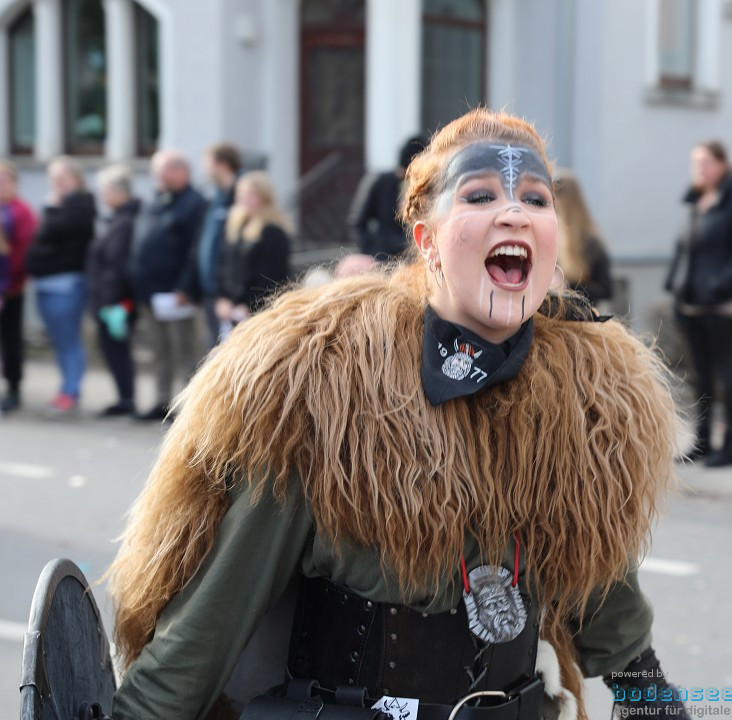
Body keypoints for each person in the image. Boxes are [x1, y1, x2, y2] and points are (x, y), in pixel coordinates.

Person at [106, 108, 687, 720]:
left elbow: (602, 590)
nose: (514, 212)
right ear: (426, 239)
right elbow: (213, 617)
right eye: (480, 195)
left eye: (536, 200)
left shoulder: (583, 403)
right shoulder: (326, 391)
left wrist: (652, 701)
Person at [665, 140, 732, 467]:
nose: (699, 169)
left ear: (723, 165)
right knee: (701, 374)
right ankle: (702, 442)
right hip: (690, 303)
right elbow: (683, 250)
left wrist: (719, 285)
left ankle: (729, 445)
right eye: (695, 163)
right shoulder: (695, 203)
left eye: (705, 162)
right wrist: (673, 282)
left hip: (721, 305)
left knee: (725, 370)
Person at [129, 150, 207, 421]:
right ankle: (162, 401)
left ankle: (189, 407)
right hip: (150, 293)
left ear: (179, 172)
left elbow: (195, 251)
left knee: (185, 351)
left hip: (177, 294)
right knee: (159, 350)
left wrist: (186, 287)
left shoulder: (194, 204)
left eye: (161, 171)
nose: (156, 177)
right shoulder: (157, 202)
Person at [24, 156, 96, 415]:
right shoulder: (62, 205)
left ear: (76, 179)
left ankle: (70, 392)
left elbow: (49, 232)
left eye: (62, 179)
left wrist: (51, 208)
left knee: (68, 342)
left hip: (65, 287)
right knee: (59, 341)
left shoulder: (79, 207)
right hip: (47, 284)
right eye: (53, 179)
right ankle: (66, 388)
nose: (56, 184)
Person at [86, 164, 140, 417]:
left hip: (116, 301)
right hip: (110, 298)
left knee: (117, 350)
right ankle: (124, 397)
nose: (102, 196)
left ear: (120, 192)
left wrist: (109, 301)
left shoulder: (124, 222)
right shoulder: (117, 219)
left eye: (105, 190)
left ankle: (126, 399)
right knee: (112, 350)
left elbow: (116, 265)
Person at [214, 171, 291, 338]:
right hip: (231, 311)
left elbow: (272, 277)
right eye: (242, 195)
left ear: (264, 198)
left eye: (251, 195)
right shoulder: (235, 227)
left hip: (257, 313)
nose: (245, 200)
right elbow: (223, 266)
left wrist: (248, 305)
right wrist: (222, 298)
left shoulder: (273, 232)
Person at [349, 134, 428, 262]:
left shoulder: (424, 187)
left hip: (413, 259)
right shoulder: (380, 182)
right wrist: (371, 252)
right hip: (383, 258)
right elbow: (358, 221)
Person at [194, 142, 242, 350]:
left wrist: (229, 294)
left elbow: (237, 252)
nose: (204, 170)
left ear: (222, 164)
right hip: (211, 291)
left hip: (229, 295)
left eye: (208, 164)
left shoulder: (241, 197)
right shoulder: (215, 198)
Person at [0, 161, 38, 413]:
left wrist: (8, 285)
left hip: (10, 288)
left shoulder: (21, 211)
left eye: (5, 180)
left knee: (11, 340)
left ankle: (13, 387)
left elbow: (22, 253)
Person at [552, 170, 613, 306]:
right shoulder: (551, 235)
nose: (554, 202)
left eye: (558, 195)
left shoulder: (590, 241)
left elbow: (606, 290)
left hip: (582, 318)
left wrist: (568, 286)